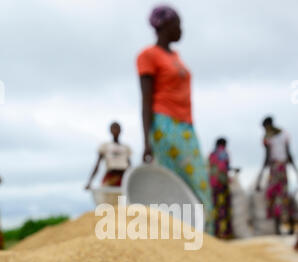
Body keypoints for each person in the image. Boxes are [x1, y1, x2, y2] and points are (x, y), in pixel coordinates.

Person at [136, 6, 213, 234]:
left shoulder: (175, 57)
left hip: (185, 126)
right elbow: (146, 101)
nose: (181, 29)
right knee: (186, 182)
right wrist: (147, 141)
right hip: (165, 126)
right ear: (164, 26)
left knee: (196, 183)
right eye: (177, 24)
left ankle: (201, 240)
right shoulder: (148, 56)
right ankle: (187, 238)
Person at [256, 117, 298, 235]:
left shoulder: (268, 137)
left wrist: (260, 176)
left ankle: (278, 228)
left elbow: (267, 157)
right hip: (283, 169)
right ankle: (288, 227)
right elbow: (289, 154)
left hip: (275, 169)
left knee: (273, 197)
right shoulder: (284, 134)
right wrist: (295, 169)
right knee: (283, 197)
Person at [85, 122, 131, 190]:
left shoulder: (126, 148)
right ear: (110, 130)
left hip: (123, 178)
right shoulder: (105, 146)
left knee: (122, 199)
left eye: (117, 128)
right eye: (114, 128)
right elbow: (97, 165)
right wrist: (89, 182)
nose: (115, 130)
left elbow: (129, 165)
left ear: (120, 130)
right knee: (107, 199)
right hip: (110, 177)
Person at [209, 138, 233, 239]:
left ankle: (217, 232)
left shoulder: (212, 154)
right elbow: (224, 168)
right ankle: (225, 232)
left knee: (216, 207)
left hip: (213, 185)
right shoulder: (224, 153)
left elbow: (212, 169)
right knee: (224, 208)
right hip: (222, 185)